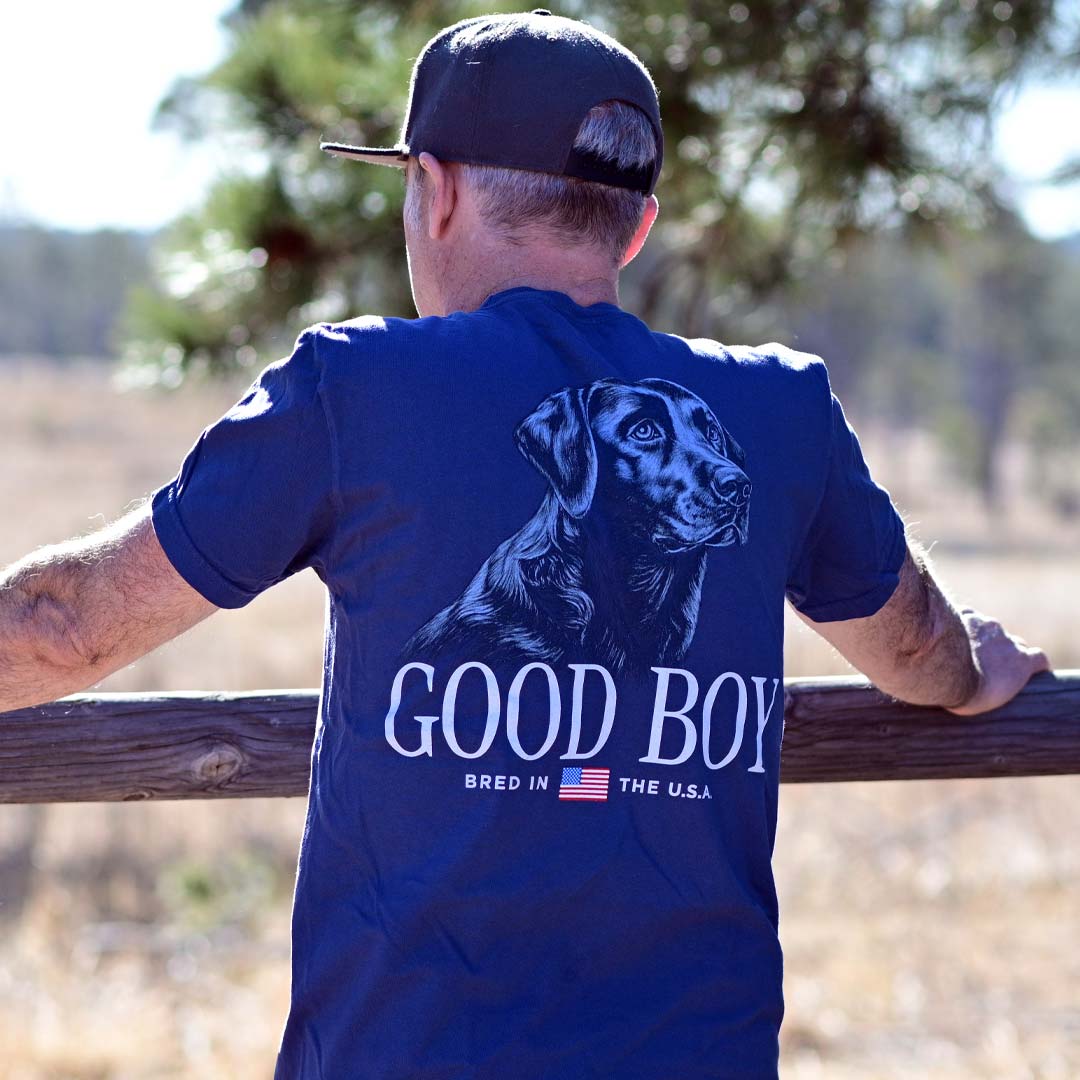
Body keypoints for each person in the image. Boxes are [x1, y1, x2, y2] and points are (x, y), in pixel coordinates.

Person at [0, 9, 1050, 1079]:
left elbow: (60, 627)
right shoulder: (779, 409)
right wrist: (975, 674)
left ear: (438, 191)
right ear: (634, 230)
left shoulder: (354, 390)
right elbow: (918, 650)